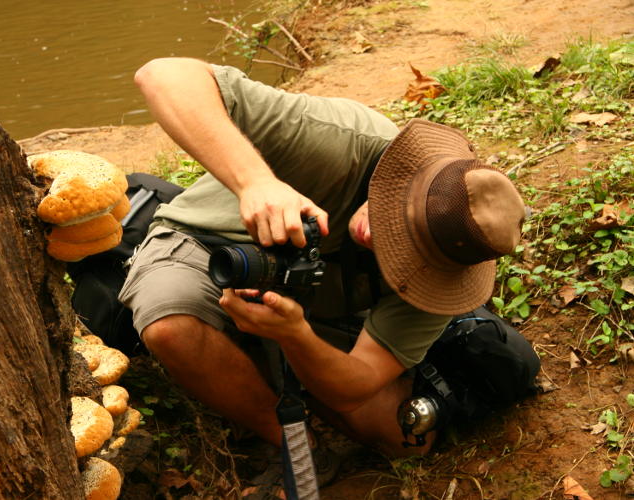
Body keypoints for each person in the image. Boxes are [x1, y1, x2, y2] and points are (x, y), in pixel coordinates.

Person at [119, 57, 526, 495]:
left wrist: (296, 335)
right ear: (411, 177)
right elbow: (162, 74)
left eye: (408, 249)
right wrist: (255, 181)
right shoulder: (343, 140)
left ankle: (261, 349)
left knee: (406, 438)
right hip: (211, 243)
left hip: (320, 298)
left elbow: (357, 383)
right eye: (393, 216)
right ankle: (292, 442)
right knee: (171, 325)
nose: (377, 236)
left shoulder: (447, 275)